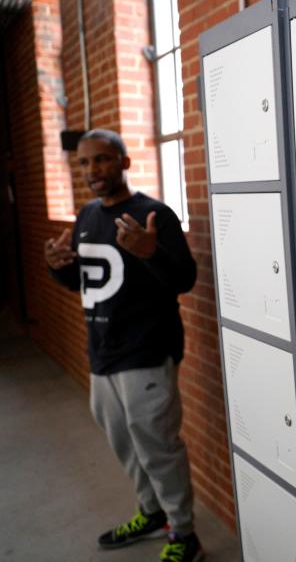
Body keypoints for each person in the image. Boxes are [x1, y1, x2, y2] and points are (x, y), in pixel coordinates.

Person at [45, 129, 203, 562]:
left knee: (157, 445)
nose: (92, 170)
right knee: (124, 444)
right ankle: (152, 513)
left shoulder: (155, 214)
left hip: (147, 353)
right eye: (83, 163)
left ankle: (184, 535)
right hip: (102, 355)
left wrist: (151, 252)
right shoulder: (87, 216)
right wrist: (55, 267)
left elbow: (184, 280)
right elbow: (84, 281)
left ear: (124, 163)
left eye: (101, 160)